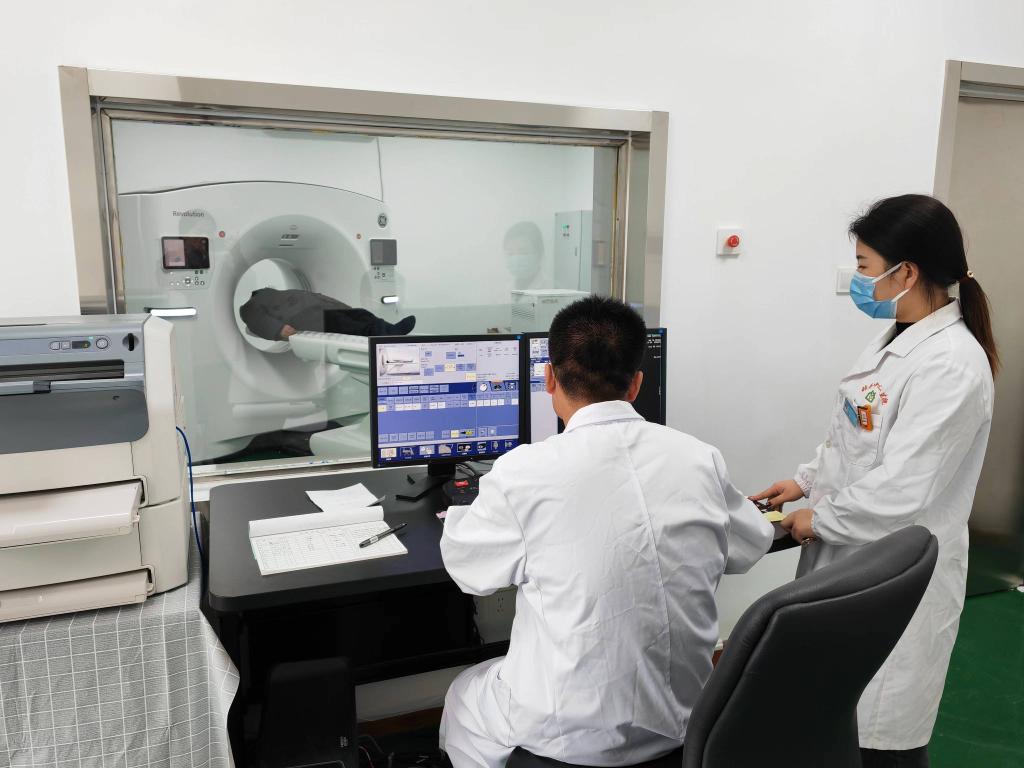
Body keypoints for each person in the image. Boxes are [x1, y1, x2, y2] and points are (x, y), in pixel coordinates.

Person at [439, 296, 774, 768]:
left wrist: (462, 510)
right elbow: (751, 544)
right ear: (636, 384)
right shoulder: (699, 457)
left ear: (549, 378)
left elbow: (470, 571)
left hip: (572, 737)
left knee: (463, 695)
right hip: (688, 723)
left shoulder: (524, 473)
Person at [753, 194, 997, 768]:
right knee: (836, 724)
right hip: (855, 558)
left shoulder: (951, 365)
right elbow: (855, 437)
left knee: (879, 738)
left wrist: (818, 519)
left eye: (864, 266)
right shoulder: (894, 340)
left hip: (896, 572)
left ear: (905, 272)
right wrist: (805, 482)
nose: (859, 280)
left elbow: (904, 487)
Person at [239, 287, 416, 341]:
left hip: (319, 306)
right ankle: (382, 334)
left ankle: (390, 329)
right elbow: (252, 316)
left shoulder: (275, 294)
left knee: (360, 313)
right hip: (303, 316)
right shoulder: (252, 303)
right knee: (343, 322)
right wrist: (278, 329)